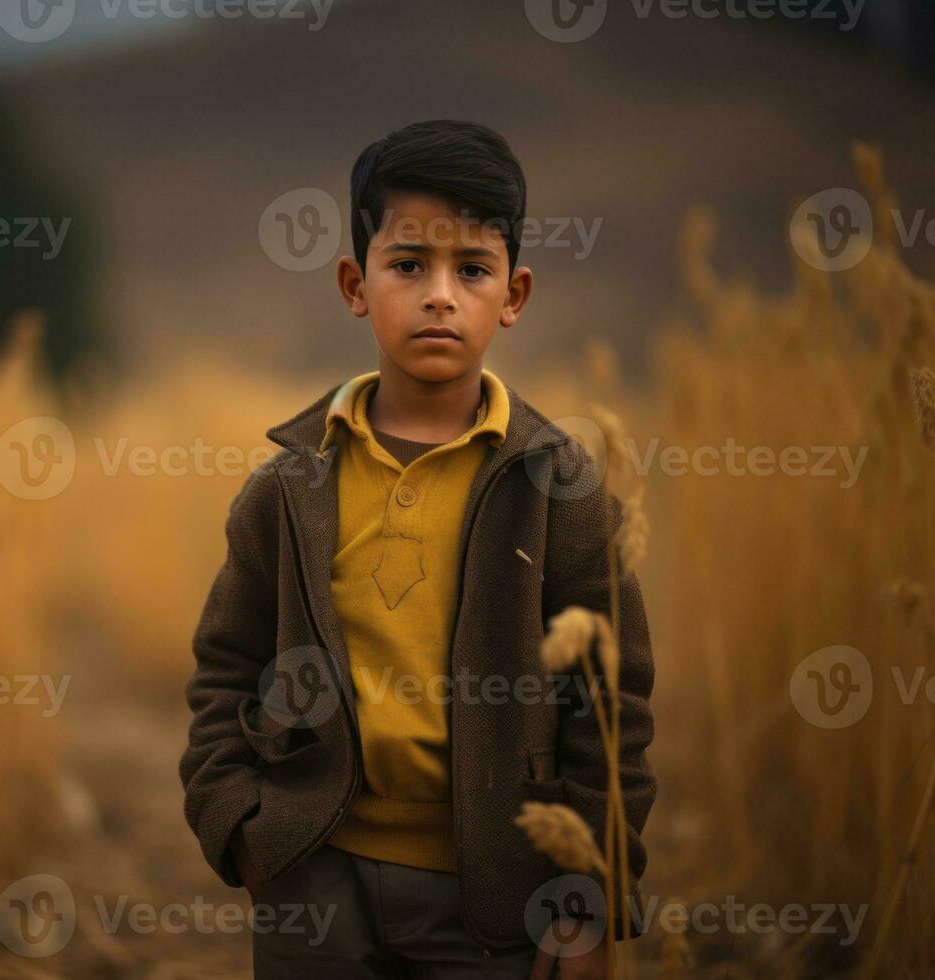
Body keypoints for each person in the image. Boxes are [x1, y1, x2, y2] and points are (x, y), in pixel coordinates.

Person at [179, 119, 656, 979]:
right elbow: (223, 669)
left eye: (470, 270)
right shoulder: (288, 490)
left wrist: (583, 899)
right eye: (408, 265)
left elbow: (611, 711)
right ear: (355, 285)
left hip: (495, 892)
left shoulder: (560, 491)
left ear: (512, 295)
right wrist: (242, 828)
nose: (439, 294)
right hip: (310, 877)